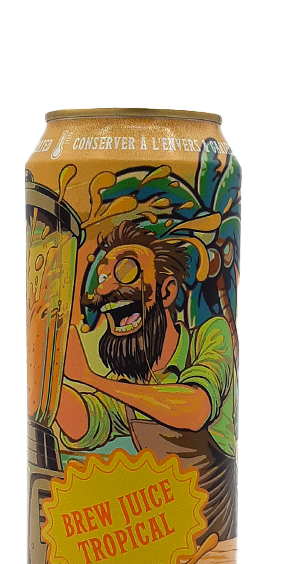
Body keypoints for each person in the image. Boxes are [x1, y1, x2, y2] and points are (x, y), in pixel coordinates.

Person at [56, 221, 237, 542]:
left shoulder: (210, 337)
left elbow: (194, 408)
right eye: (102, 278)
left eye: (126, 271)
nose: (106, 288)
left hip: (216, 544)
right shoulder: (128, 383)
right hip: (169, 545)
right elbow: (84, 424)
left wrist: (88, 377)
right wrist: (49, 377)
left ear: (166, 292)